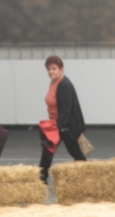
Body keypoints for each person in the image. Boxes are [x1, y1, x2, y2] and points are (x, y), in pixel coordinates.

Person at [38, 55, 88, 183]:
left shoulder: (64, 85)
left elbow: (66, 111)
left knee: (76, 153)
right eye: (49, 69)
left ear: (61, 69)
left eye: (54, 68)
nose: (51, 71)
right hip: (57, 124)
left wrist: (56, 128)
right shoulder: (53, 82)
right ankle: (41, 179)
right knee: (47, 150)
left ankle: (88, 177)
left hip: (66, 126)